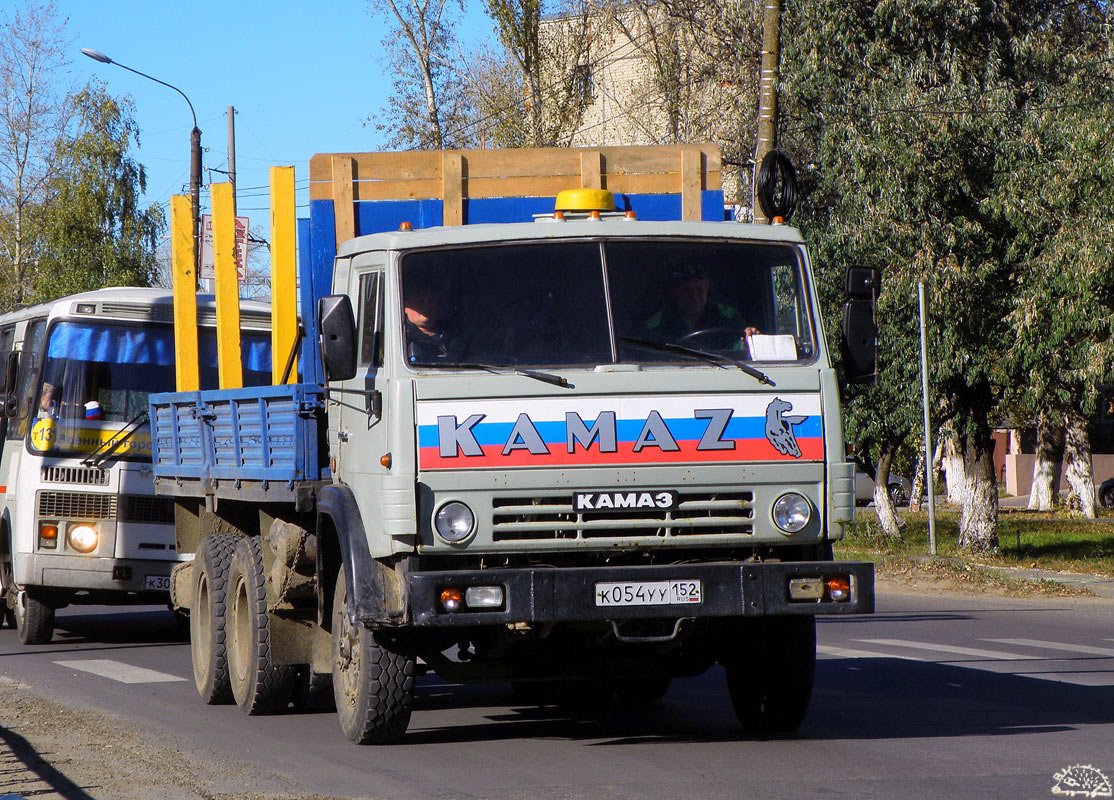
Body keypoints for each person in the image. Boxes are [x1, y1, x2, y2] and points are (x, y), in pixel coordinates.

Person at [641, 264, 757, 348]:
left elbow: (742, 348)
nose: (695, 296)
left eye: (699, 289)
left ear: (707, 289)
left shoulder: (729, 317)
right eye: (686, 290)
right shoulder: (655, 325)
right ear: (674, 293)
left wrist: (751, 338)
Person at [404, 282, 462, 363]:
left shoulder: (455, 335)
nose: (426, 306)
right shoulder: (401, 338)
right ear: (405, 306)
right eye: (421, 301)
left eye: (430, 301)